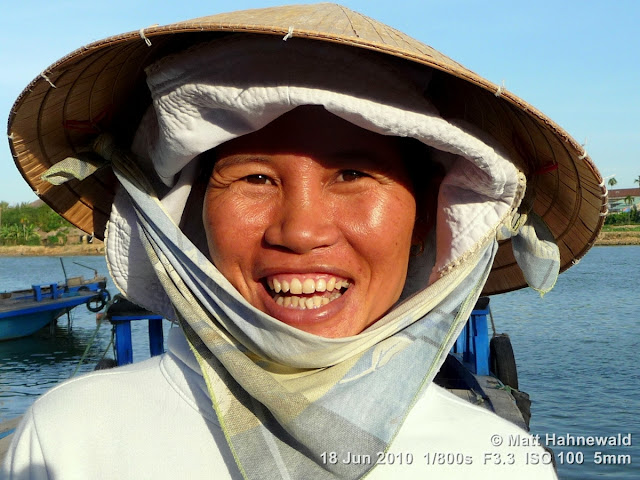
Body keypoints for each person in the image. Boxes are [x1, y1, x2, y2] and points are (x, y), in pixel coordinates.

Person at [2, 4, 606, 479]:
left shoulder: (497, 460)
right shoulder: (69, 440)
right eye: (255, 178)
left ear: (427, 221)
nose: (301, 231)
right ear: (188, 220)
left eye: (353, 174)